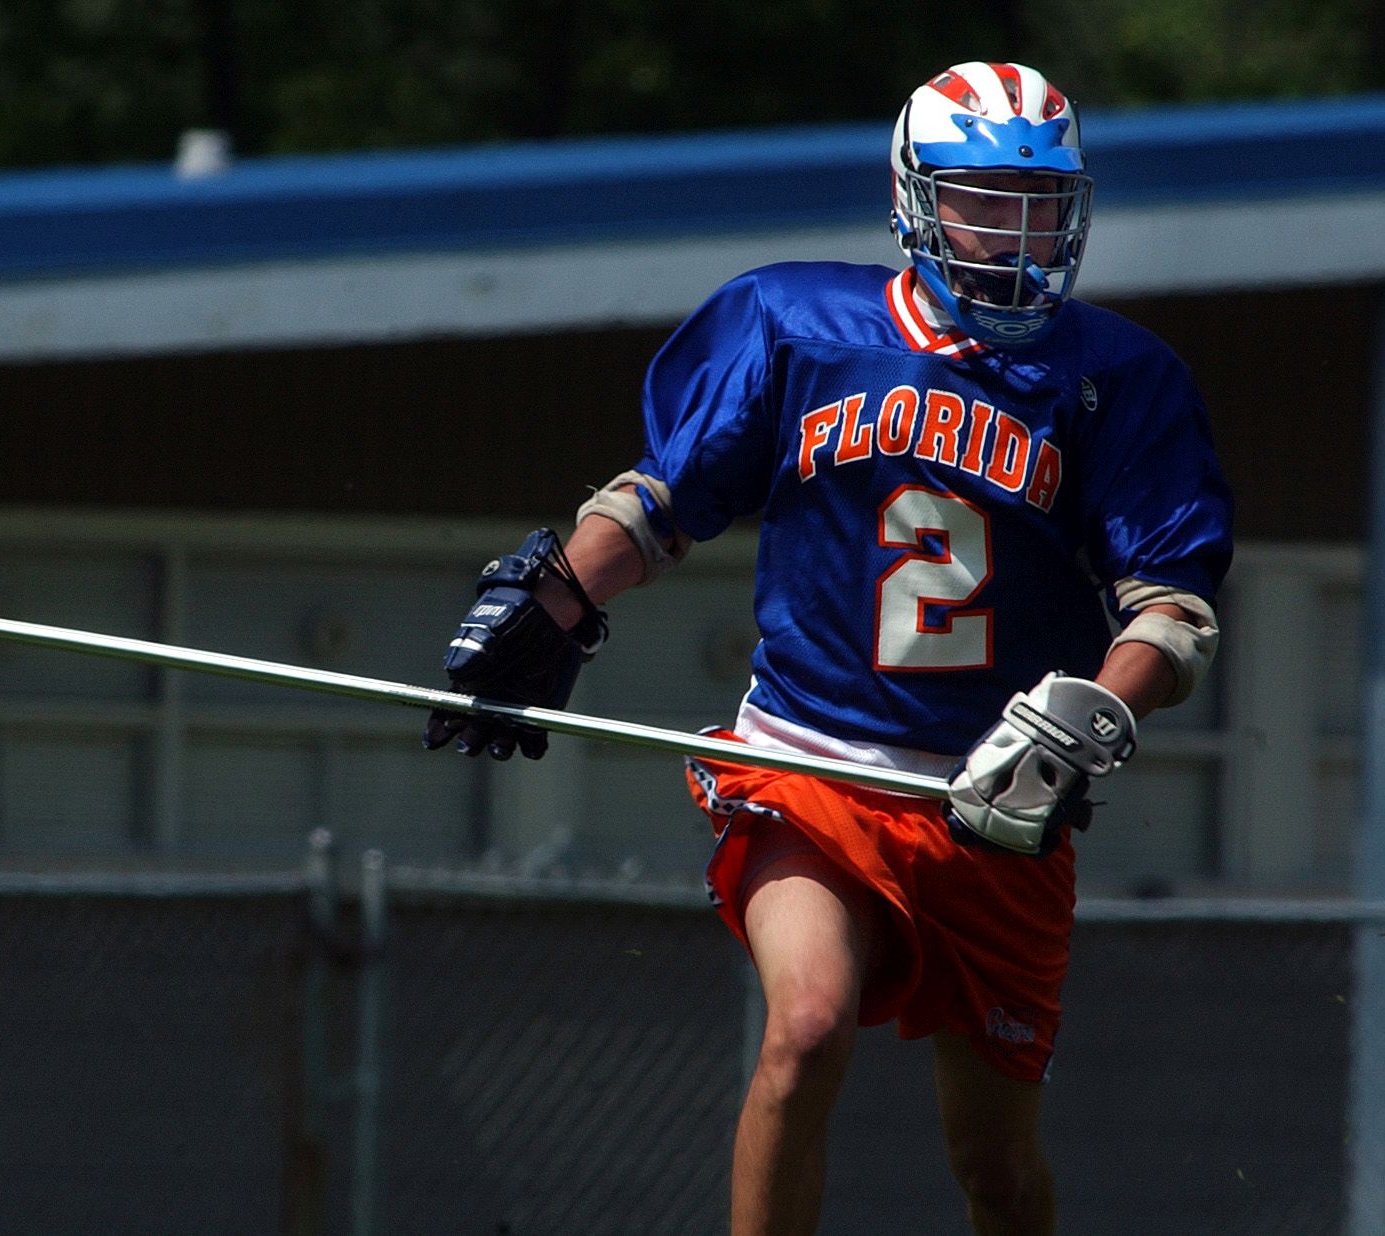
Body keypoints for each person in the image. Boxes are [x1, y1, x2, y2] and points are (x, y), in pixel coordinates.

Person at [424, 61, 1233, 1235]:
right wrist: (554, 598)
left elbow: (1170, 612)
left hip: (994, 799)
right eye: (984, 199)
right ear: (915, 199)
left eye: (1039, 203)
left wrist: (1084, 720)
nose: (1014, 233)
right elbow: (663, 500)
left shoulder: (1118, 378)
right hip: (811, 764)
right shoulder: (794, 323)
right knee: (805, 1030)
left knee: (997, 1170)